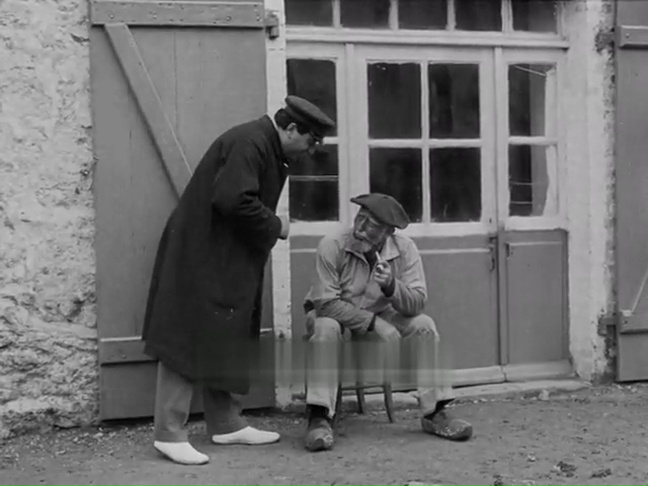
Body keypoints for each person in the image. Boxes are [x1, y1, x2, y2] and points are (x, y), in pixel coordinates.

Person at [142, 96, 335, 465]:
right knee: (188, 335)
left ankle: (226, 423)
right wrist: (276, 225)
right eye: (311, 141)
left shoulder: (264, 144)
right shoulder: (249, 142)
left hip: (225, 255)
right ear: (291, 128)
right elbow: (233, 200)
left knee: (226, 334)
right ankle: (168, 433)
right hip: (202, 254)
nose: (311, 150)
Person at [302, 193, 473, 452]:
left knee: (424, 325)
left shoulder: (405, 249)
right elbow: (325, 304)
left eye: (370, 224)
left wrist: (392, 286)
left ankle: (435, 413)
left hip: (380, 312)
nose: (359, 228)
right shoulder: (332, 244)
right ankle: (319, 418)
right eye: (359, 218)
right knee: (326, 327)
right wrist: (374, 324)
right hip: (332, 314)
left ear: (388, 232)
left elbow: (417, 302)